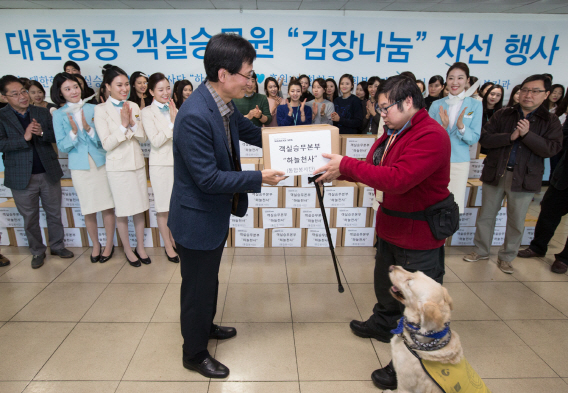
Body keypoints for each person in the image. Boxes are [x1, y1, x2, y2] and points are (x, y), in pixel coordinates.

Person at [312, 75, 451, 391]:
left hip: (418, 233)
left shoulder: (431, 136)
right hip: (391, 225)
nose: (382, 114)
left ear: (409, 103)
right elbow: (376, 169)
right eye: (379, 107)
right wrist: (342, 172)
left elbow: (398, 179)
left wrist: (346, 165)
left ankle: (408, 365)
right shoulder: (393, 131)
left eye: (386, 108)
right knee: (385, 284)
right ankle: (383, 322)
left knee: (418, 306)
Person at [168, 33, 285, 379]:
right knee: (196, 286)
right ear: (224, 74)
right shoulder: (194, 116)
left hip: (213, 214)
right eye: (247, 74)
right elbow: (209, 179)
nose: (251, 81)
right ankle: (194, 353)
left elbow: (249, 132)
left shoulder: (222, 103)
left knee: (208, 280)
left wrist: (291, 140)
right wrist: (258, 177)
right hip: (196, 218)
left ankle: (204, 326)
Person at [463, 74, 563, 274]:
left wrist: (527, 135)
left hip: (525, 178)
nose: (528, 95)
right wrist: (510, 137)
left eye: (535, 91)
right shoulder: (503, 114)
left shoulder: (550, 121)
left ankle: (507, 257)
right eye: (525, 90)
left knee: (516, 221)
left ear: (546, 95)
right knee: (486, 216)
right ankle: (481, 250)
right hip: (496, 173)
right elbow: (486, 138)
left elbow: (551, 149)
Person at [0, 75, 74, 269]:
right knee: (30, 217)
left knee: (54, 213)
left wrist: (41, 133)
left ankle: (57, 246)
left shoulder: (40, 112)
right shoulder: (2, 116)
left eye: (23, 91)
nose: (22, 96)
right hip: (21, 177)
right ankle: (37, 251)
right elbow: (1, 143)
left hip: (47, 171)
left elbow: (55, 136)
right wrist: (24, 138)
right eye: (15, 94)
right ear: (4, 96)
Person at [51, 73, 116, 263]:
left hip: (100, 163)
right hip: (79, 167)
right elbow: (62, 147)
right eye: (67, 89)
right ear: (60, 93)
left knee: (107, 207)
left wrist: (88, 128)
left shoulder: (95, 109)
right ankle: (95, 244)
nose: (73, 91)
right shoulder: (59, 114)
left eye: (76, 86)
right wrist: (73, 132)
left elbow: (102, 141)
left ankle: (109, 245)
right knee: (88, 208)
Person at [94, 65, 150, 268]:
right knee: (124, 210)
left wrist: (133, 125)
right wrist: (123, 126)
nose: (124, 88)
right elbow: (107, 144)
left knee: (140, 208)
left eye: (127, 84)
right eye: (119, 85)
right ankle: (127, 249)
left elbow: (144, 138)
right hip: (118, 168)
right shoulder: (100, 110)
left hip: (136, 164)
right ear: (108, 86)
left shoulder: (134, 106)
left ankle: (140, 247)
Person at [429, 62, 482, 213]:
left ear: (467, 81)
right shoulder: (436, 105)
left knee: (454, 205)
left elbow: (474, 138)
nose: (455, 82)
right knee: (433, 202)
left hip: (459, 162)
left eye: (460, 78)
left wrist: (461, 127)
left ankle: (447, 237)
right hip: (436, 162)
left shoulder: (475, 105)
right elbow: (428, 137)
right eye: (451, 78)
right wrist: (442, 128)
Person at [517, 119, 568, 273]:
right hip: (564, 177)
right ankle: (537, 247)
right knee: (548, 212)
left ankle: (564, 259)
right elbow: (562, 140)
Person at [141, 73, 179, 263]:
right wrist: (172, 123)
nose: (166, 93)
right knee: (163, 208)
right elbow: (155, 141)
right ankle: (167, 244)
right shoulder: (147, 112)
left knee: (176, 206)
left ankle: (175, 238)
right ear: (151, 92)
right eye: (160, 89)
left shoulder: (174, 107)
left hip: (178, 164)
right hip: (161, 166)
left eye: (167, 88)